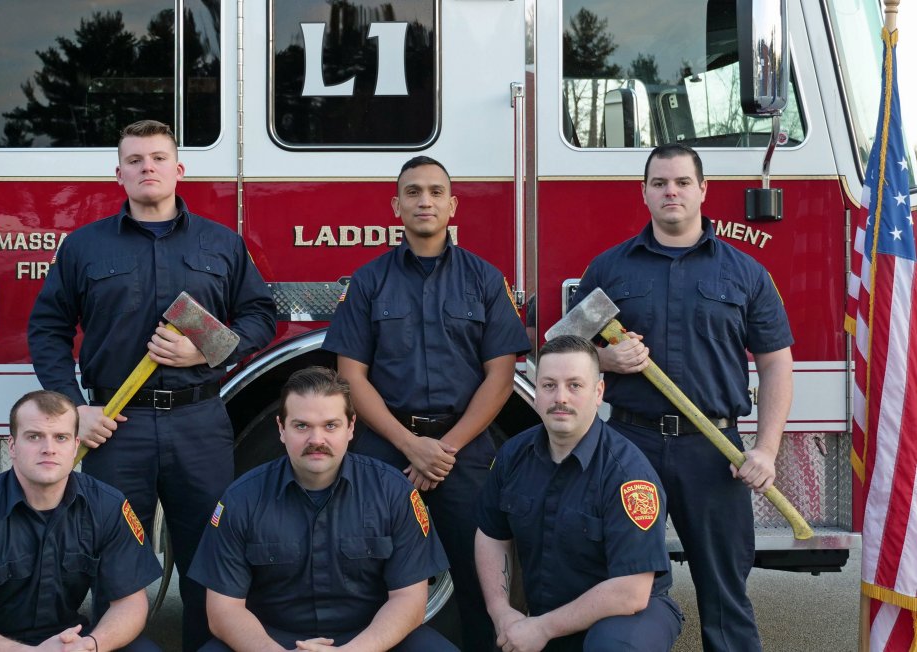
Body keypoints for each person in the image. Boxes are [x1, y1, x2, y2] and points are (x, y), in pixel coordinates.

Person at [27, 120, 277, 651]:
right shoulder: (84, 247)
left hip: (200, 424)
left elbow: (260, 317)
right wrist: (73, 410)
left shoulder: (221, 243)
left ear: (178, 170)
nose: (148, 168)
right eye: (136, 160)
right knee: (112, 565)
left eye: (159, 158)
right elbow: (46, 329)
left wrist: (204, 347)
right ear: (118, 173)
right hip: (117, 427)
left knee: (208, 564)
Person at [567, 143, 794, 652]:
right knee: (621, 580)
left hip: (714, 450)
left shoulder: (744, 273)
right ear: (643, 193)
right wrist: (603, 361)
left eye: (682, 182)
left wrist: (766, 449)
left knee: (724, 594)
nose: (671, 191)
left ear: (702, 190)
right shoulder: (609, 270)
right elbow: (564, 353)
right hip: (628, 446)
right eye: (659, 183)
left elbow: (777, 362)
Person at [322, 156, 532, 650]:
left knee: (482, 580)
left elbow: (500, 377)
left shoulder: (484, 280)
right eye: (413, 192)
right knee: (367, 576)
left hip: (463, 452)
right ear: (395, 206)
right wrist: (410, 445)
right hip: (384, 450)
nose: (425, 201)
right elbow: (349, 377)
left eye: (436, 192)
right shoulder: (368, 282)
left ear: (453, 205)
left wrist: (444, 449)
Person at [188, 366, 457, 652]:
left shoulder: (393, 492)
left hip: (370, 641)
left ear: (351, 427)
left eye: (331, 425)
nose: (317, 440)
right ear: (281, 428)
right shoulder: (241, 499)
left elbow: (409, 601)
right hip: (269, 642)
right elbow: (223, 611)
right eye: (302, 426)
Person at [476, 335, 683, 652]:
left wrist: (541, 628)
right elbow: (491, 534)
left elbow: (632, 592)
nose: (561, 397)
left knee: (612, 646)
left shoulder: (628, 475)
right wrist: (501, 612)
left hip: (628, 613)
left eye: (575, 385)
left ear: (598, 392)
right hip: (554, 614)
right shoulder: (512, 457)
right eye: (549, 385)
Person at [0, 390, 162, 651]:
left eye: (61, 437)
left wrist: (91, 645)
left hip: (70, 642)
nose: (49, 449)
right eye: (34, 437)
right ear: (12, 446)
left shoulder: (107, 507)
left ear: (76, 445)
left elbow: (130, 604)